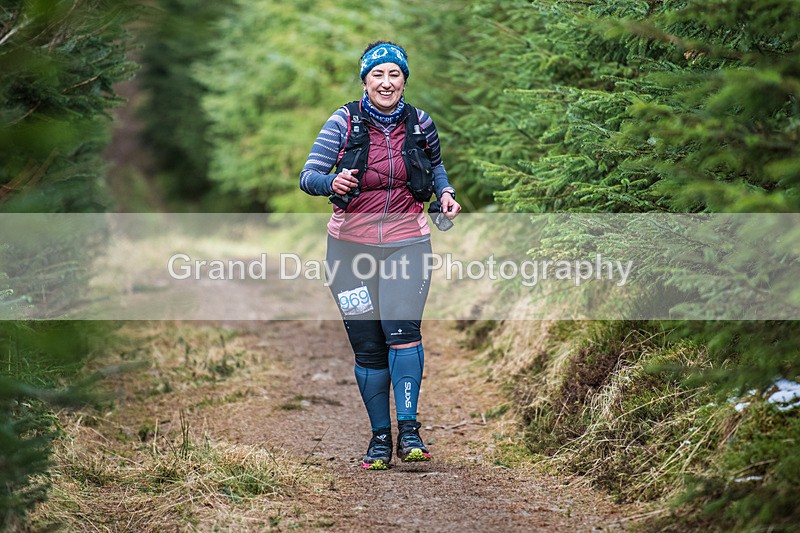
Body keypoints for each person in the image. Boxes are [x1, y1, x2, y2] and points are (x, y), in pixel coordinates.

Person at [299, 41, 460, 470]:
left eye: (394, 74)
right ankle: (378, 439)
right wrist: (331, 183)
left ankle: (408, 431)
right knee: (368, 346)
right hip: (349, 249)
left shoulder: (420, 122)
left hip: (408, 240)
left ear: (404, 79)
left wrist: (445, 193)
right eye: (377, 75)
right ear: (365, 81)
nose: (386, 83)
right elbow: (308, 176)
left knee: (401, 329)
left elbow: (436, 166)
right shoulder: (342, 122)